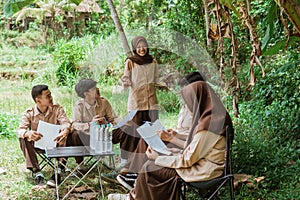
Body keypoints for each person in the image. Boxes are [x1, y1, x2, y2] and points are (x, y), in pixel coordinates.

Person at [128, 80, 233, 200]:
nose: (188, 107)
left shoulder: (209, 125)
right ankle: (135, 195)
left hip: (205, 171)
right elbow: (194, 150)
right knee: (158, 160)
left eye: (188, 102)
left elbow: (187, 160)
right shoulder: (216, 117)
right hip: (206, 164)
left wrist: (158, 158)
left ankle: (134, 197)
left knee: (149, 167)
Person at [115, 71, 206, 190]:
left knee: (152, 142)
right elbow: (185, 130)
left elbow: (195, 137)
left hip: (186, 146)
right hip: (179, 138)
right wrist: (174, 133)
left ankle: (136, 174)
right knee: (147, 136)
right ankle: (133, 172)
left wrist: (173, 137)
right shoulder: (186, 105)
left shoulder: (202, 110)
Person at [16, 84, 72, 187]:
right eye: (48, 96)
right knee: (23, 138)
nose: (51, 98)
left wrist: (65, 130)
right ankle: (37, 172)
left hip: (56, 143)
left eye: (50, 95)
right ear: (38, 100)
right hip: (38, 144)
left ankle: (59, 170)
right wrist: (28, 133)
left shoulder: (57, 109)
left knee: (67, 133)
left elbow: (66, 122)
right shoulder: (29, 113)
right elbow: (20, 130)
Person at [120, 36, 159, 167]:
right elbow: (126, 76)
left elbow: (157, 78)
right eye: (138, 47)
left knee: (152, 131)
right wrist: (126, 82)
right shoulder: (131, 62)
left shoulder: (153, 61)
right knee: (134, 131)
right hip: (136, 102)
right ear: (134, 48)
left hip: (151, 102)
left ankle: (148, 158)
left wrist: (166, 83)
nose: (141, 49)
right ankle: (128, 161)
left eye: (143, 46)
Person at [71, 78, 119, 172]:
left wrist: (109, 122)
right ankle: (80, 164)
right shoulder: (79, 106)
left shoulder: (103, 102)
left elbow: (113, 119)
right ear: (86, 94)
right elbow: (75, 124)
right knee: (75, 134)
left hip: (103, 135)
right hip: (88, 137)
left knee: (124, 129)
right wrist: (90, 124)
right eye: (93, 89)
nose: (97, 90)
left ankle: (126, 162)